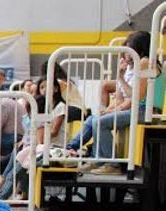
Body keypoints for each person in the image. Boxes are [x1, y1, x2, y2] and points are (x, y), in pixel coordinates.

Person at [67, 31, 164, 175]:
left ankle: (112, 164)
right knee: (92, 119)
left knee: (100, 122)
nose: (127, 54)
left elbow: (137, 96)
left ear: (140, 49)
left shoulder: (146, 62)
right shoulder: (133, 66)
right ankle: (85, 154)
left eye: (130, 50)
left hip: (147, 111)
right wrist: (111, 108)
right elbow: (121, 97)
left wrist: (120, 78)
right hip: (137, 108)